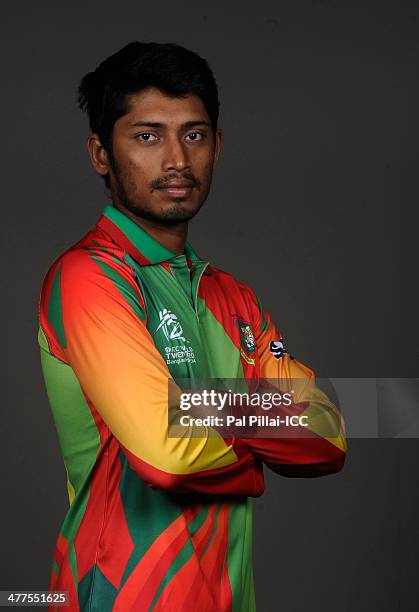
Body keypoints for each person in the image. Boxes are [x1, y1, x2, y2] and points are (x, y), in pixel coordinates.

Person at [38, 41, 347, 612]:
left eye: (195, 134)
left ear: (217, 146)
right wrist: (259, 455)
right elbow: (167, 455)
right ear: (101, 153)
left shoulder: (235, 297)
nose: (177, 159)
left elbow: (327, 432)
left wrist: (195, 408)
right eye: (148, 135)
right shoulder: (87, 277)